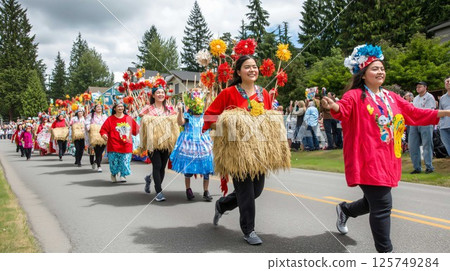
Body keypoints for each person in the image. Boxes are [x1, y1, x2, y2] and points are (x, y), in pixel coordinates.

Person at [322, 44, 450, 253]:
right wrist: (333, 107)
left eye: (382, 68)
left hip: (388, 159)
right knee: (382, 206)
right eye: (375, 68)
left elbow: (414, 113)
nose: (380, 71)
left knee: (373, 201)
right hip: (367, 159)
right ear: (363, 74)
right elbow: (342, 110)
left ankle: (345, 209)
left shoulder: (391, 97)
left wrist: (445, 113)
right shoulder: (354, 96)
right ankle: (386, 254)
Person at [202, 55, 274, 245]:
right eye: (247, 67)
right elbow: (209, 117)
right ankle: (249, 230)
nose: (252, 70)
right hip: (236, 152)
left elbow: (268, 119)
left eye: (255, 66)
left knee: (256, 191)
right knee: (246, 192)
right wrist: (227, 124)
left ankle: (222, 204)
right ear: (239, 71)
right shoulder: (228, 93)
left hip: (258, 151)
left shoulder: (263, 94)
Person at [170, 90, 214, 201]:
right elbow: (180, 122)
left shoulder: (205, 116)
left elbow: (215, 125)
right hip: (189, 145)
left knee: (207, 168)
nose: (198, 105)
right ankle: (188, 189)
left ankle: (206, 191)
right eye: (195, 103)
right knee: (188, 168)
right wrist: (180, 110)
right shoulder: (188, 116)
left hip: (204, 144)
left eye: (199, 103)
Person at [140, 83, 177, 201]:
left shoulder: (169, 108)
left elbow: (177, 120)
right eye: (158, 93)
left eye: (162, 92)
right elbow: (140, 116)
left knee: (162, 167)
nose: (161, 94)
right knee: (157, 165)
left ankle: (150, 180)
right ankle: (159, 191)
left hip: (166, 141)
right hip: (153, 142)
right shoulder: (148, 108)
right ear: (153, 95)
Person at [100, 102, 139, 183]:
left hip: (126, 144)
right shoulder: (110, 119)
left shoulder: (128, 118)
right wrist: (104, 134)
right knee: (114, 162)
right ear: (114, 108)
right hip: (113, 144)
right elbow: (103, 129)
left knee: (125, 161)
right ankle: (113, 174)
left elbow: (136, 130)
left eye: (122, 106)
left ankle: (123, 175)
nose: (120, 108)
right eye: (118, 106)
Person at [408, 81, 437, 174]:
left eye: (420, 87)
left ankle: (429, 166)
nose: (418, 88)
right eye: (417, 87)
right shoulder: (415, 99)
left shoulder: (429, 97)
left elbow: (430, 110)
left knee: (427, 144)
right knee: (412, 145)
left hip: (426, 123)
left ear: (425, 87)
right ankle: (417, 167)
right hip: (414, 123)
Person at [85, 104, 108, 172]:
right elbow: (87, 123)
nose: (99, 108)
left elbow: (107, 123)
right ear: (94, 109)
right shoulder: (91, 115)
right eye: (97, 107)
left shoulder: (104, 116)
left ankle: (96, 161)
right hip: (95, 135)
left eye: (100, 107)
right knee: (97, 150)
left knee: (101, 151)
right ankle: (99, 165)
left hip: (103, 134)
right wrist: (88, 127)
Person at [439, 76, 450, 154]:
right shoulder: (442, 98)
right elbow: (441, 112)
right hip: (444, 127)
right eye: (446, 81)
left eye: (449, 81)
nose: (447, 83)